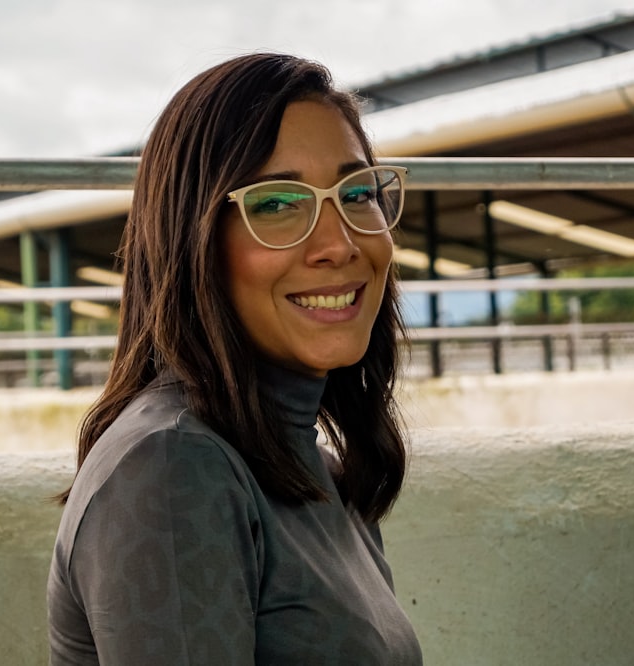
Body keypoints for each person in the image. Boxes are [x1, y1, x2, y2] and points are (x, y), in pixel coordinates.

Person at [47, 52, 422, 665]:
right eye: (277, 203)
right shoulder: (172, 466)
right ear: (193, 240)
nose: (340, 243)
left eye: (357, 193)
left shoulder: (316, 466)